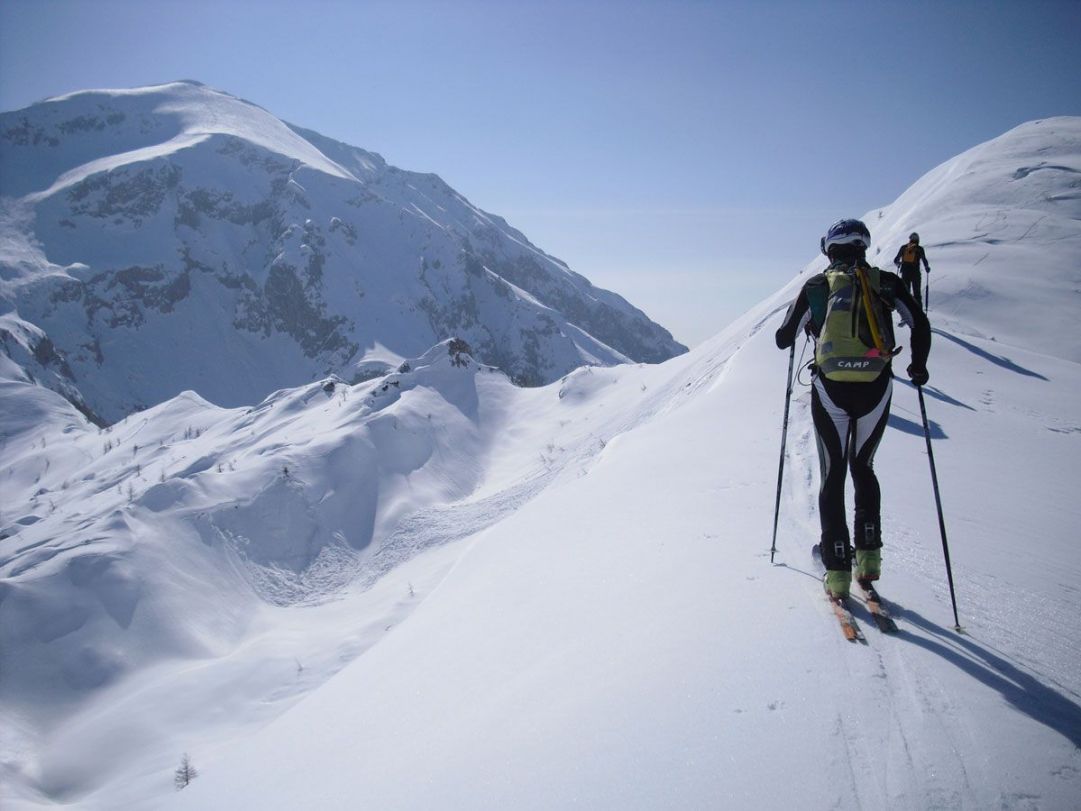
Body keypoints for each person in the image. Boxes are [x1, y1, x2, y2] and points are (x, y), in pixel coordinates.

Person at [775, 219, 931, 600]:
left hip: (831, 391)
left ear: (829, 248)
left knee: (833, 476)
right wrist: (918, 366)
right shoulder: (885, 282)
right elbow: (920, 323)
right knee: (864, 467)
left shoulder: (816, 286)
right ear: (863, 246)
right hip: (876, 388)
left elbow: (783, 339)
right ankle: (870, 557)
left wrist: (811, 324)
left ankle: (837, 569)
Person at [893, 232, 931, 308]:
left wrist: (899, 263)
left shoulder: (904, 248)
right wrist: (927, 268)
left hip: (905, 273)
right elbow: (924, 260)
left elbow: (895, 260)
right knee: (917, 295)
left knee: (906, 294)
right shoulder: (919, 249)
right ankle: (919, 315)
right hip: (916, 274)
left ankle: (907, 315)